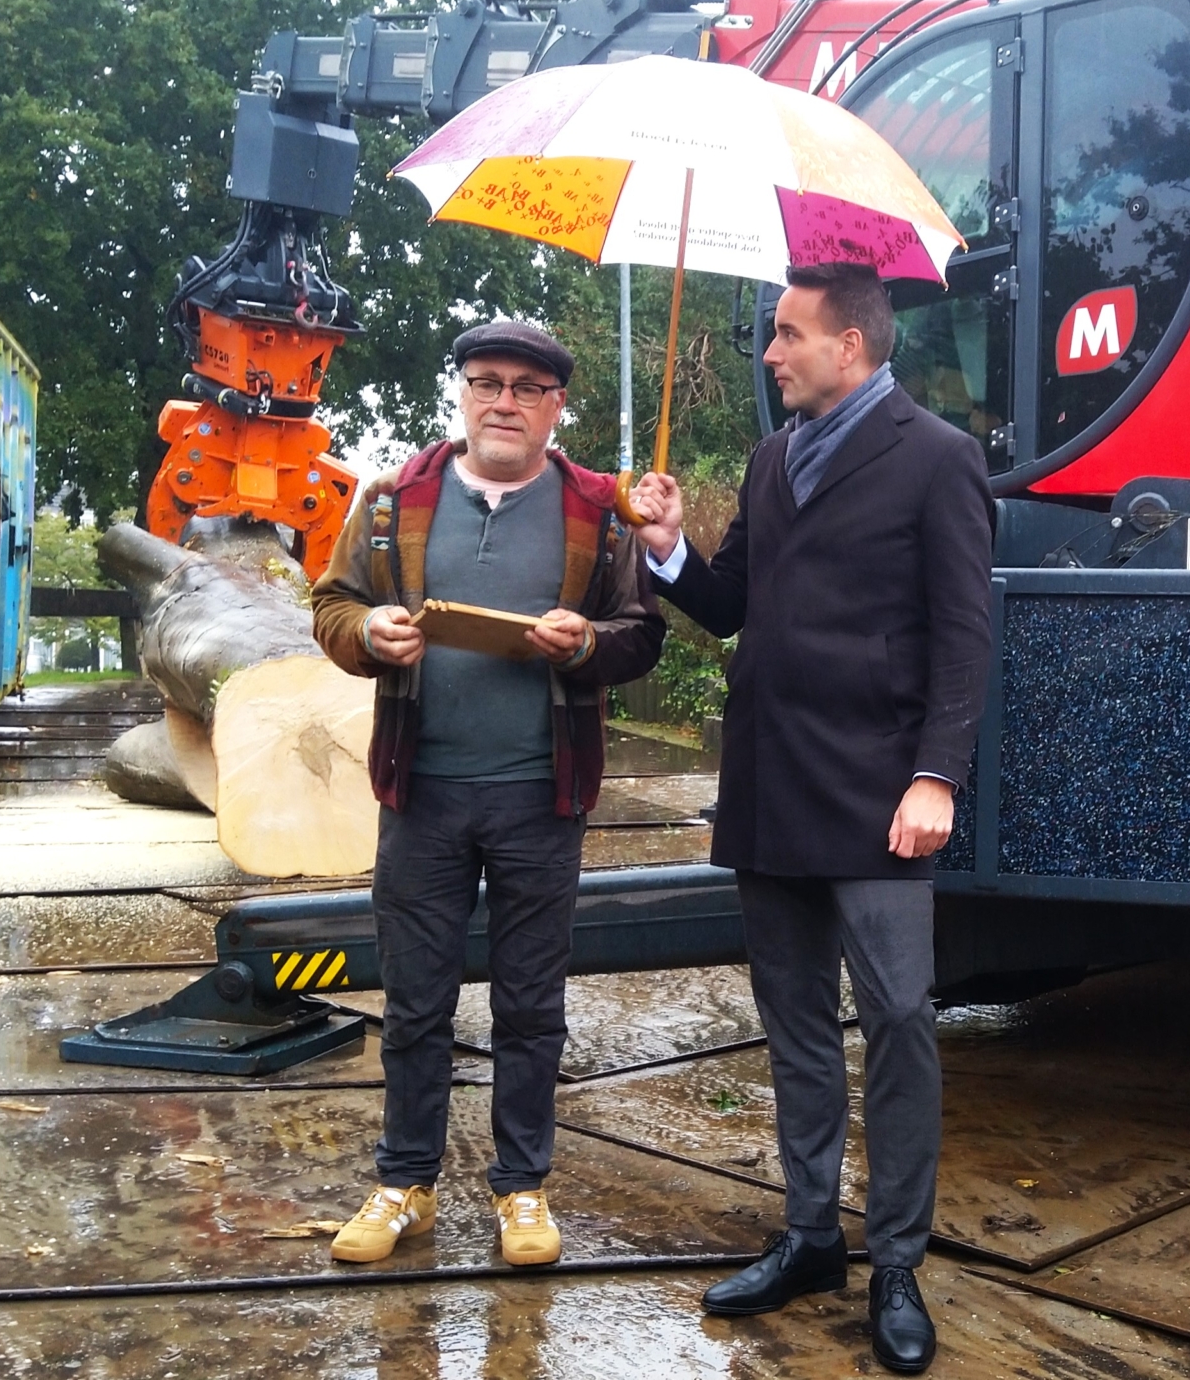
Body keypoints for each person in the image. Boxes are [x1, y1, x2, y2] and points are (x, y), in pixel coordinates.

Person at [630, 262, 995, 1375]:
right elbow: (733, 603)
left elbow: (965, 635)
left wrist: (937, 776)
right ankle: (806, 1238)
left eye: (788, 336)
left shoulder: (938, 458)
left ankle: (894, 1261)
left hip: (882, 793)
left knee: (895, 1020)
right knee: (791, 1026)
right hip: (771, 783)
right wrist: (665, 549)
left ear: (853, 344)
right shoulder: (771, 459)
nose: (771, 354)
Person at [311, 319, 665, 1269]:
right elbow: (331, 605)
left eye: (528, 388)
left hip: (540, 796)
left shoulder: (597, 510)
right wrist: (369, 633)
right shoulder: (392, 500)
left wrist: (587, 644)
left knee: (530, 1004)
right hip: (420, 791)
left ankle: (522, 1189)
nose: (504, 401)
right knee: (416, 1001)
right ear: (462, 391)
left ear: (556, 407)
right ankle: (404, 1183)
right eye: (487, 381)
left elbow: (642, 633)